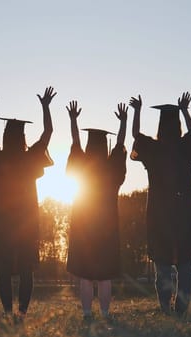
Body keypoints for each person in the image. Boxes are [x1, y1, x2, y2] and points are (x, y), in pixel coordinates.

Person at [0, 87, 55, 316]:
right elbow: (48, 132)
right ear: (22, 138)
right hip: (26, 222)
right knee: (25, 270)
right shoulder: (29, 159)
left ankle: (7, 312)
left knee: (4, 270)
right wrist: (45, 106)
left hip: (2, 222)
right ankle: (21, 312)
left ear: (5, 137)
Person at [130, 92, 191, 316]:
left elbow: (135, 135)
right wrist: (186, 111)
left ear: (160, 127)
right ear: (178, 126)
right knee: (185, 264)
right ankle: (182, 307)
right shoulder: (185, 147)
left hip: (159, 214)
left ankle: (164, 307)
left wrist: (138, 111)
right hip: (184, 213)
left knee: (162, 264)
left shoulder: (153, 149)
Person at [65, 100, 127, 319]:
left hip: (84, 224)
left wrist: (73, 119)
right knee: (104, 275)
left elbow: (75, 142)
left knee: (85, 274)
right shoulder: (112, 169)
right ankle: (105, 312)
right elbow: (119, 146)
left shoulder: (82, 165)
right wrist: (124, 122)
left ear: (90, 148)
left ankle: (87, 313)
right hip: (107, 227)